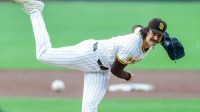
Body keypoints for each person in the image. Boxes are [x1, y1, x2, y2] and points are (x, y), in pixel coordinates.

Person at [12, 0, 168, 112]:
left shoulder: (144, 37)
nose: (155, 38)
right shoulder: (132, 46)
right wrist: (128, 76)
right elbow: (116, 70)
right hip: (89, 55)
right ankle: (35, 10)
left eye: (159, 36)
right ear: (147, 31)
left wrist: (154, 36)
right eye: (154, 34)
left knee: (90, 108)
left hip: (100, 71)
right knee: (43, 54)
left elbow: (136, 27)